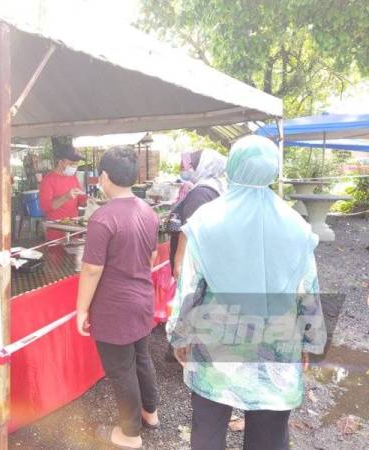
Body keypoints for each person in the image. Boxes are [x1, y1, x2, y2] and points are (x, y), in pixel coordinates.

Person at [168, 135, 326, 450]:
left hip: (216, 345)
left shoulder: (206, 221)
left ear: (234, 166)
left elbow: (189, 289)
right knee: (269, 437)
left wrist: (179, 335)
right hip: (277, 346)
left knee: (208, 431)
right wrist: (308, 342)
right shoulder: (296, 225)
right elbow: (307, 289)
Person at [76, 146, 160, 450]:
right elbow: (150, 257)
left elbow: (91, 270)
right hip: (142, 299)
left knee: (121, 370)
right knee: (142, 358)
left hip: (115, 308)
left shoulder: (102, 218)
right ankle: (150, 413)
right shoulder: (147, 211)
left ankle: (130, 433)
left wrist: (81, 310)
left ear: (104, 176)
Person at [170, 148, 226, 280]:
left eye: (191, 166)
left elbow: (189, 229)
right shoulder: (216, 187)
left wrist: (179, 262)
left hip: (193, 263)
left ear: (203, 166)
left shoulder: (200, 194)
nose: (185, 171)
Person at [39, 138, 85, 241]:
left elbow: (80, 200)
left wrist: (89, 201)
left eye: (75, 163)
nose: (74, 166)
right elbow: (45, 207)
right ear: (60, 162)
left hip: (74, 229)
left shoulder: (73, 177)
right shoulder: (48, 180)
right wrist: (65, 197)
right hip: (56, 232)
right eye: (71, 163)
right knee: (57, 256)